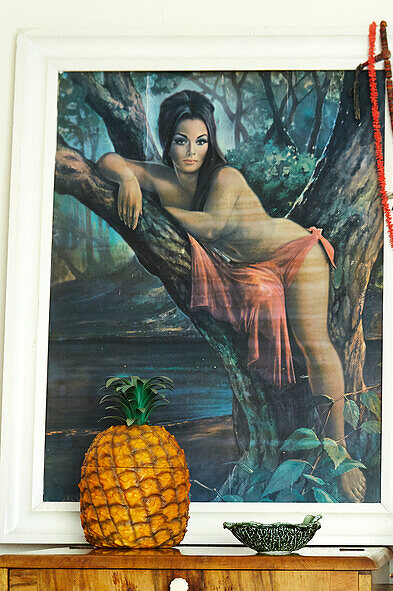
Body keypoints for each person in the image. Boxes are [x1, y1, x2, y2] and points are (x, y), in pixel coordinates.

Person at [98, 89, 367, 503]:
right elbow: (107, 162)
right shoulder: (162, 175)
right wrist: (131, 179)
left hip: (295, 253)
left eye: (201, 140)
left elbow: (211, 226)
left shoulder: (224, 177)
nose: (191, 151)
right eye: (181, 140)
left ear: (212, 142)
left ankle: (339, 453)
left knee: (315, 347)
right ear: (167, 139)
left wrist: (154, 207)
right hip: (251, 270)